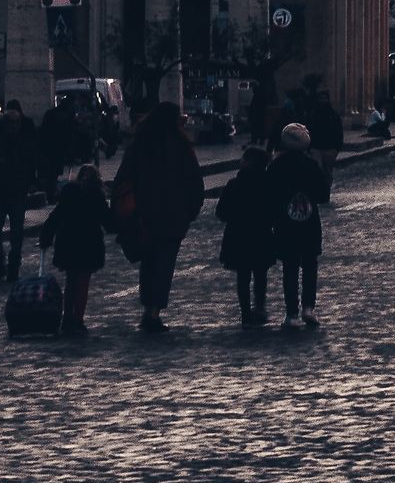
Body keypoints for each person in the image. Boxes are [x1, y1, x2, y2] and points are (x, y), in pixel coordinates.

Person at [110, 101, 206, 334]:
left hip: (144, 214)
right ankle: (154, 310)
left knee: (149, 262)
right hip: (173, 216)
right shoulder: (181, 147)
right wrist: (191, 209)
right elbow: (195, 181)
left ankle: (148, 307)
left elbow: (123, 178)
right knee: (164, 265)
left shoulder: (139, 145)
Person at [265, 121, 330, 327]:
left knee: (290, 267)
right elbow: (323, 195)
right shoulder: (310, 165)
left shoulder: (276, 166)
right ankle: (308, 308)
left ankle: (291, 312)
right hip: (309, 222)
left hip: (285, 222)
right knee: (310, 265)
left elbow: (269, 195)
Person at [39, 162, 109, 337]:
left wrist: (46, 236)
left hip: (69, 243)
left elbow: (56, 216)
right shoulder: (97, 197)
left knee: (71, 282)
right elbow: (109, 221)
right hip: (88, 245)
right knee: (82, 283)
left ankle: (68, 318)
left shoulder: (69, 193)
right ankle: (77, 319)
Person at [216, 145, 275, 328]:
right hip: (261, 235)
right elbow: (275, 211)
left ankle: (245, 312)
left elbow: (221, 212)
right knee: (260, 274)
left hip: (238, 235)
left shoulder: (234, 184)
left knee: (243, 276)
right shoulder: (268, 183)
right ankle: (260, 307)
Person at [0, 99, 39, 283]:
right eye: (11, 123)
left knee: (16, 233)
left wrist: (31, 182)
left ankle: (13, 267)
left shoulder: (25, 141)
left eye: (16, 123)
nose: (14, 126)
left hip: (16, 191)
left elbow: (31, 163)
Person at [306, 84, 345, 196]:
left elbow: (338, 132)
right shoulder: (313, 114)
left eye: (325, 98)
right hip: (316, 146)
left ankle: (326, 190)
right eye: (321, 98)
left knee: (328, 171)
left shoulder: (333, 115)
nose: (323, 101)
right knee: (317, 169)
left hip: (330, 148)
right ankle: (318, 190)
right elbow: (309, 128)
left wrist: (337, 148)